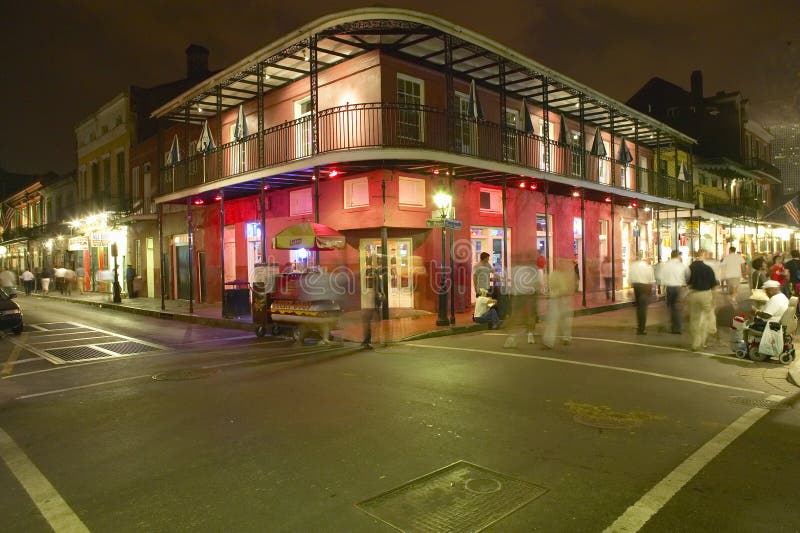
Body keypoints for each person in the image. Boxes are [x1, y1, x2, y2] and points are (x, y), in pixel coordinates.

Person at [503, 256, 543, 347]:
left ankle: (526, 335)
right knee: (524, 316)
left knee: (525, 316)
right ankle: (523, 335)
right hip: (522, 296)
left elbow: (536, 284)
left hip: (524, 295)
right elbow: (537, 284)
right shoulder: (531, 270)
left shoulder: (528, 270)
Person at [687, 250, 719, 351]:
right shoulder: (708, 268)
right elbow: (714, 286)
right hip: (706, 294)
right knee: (706, 316)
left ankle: (696, 343)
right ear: (703, 256)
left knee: (695, 319)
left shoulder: (690, 268)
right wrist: (715, 299)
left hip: (693, 294)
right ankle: (705, 338)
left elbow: (687, 283)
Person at [542, 258, 574, 349]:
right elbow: (550, 285)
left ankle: (566, 338)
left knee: (565, 321)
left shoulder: (568, 275)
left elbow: (570, 287)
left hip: (563, 299)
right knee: (552, 320)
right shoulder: (555, 274)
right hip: (556, 299)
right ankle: (548, 342)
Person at [660, 250, 689, 334]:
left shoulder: (666, 265)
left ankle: (673, 326)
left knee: (672, 307)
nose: (681, 257)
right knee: (677, 307)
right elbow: (688, 275)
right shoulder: (681, 265)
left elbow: (661, 276)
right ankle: (677, 328)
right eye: (680, 256)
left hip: (669, 288)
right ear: (677, 256)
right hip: (678, 288)